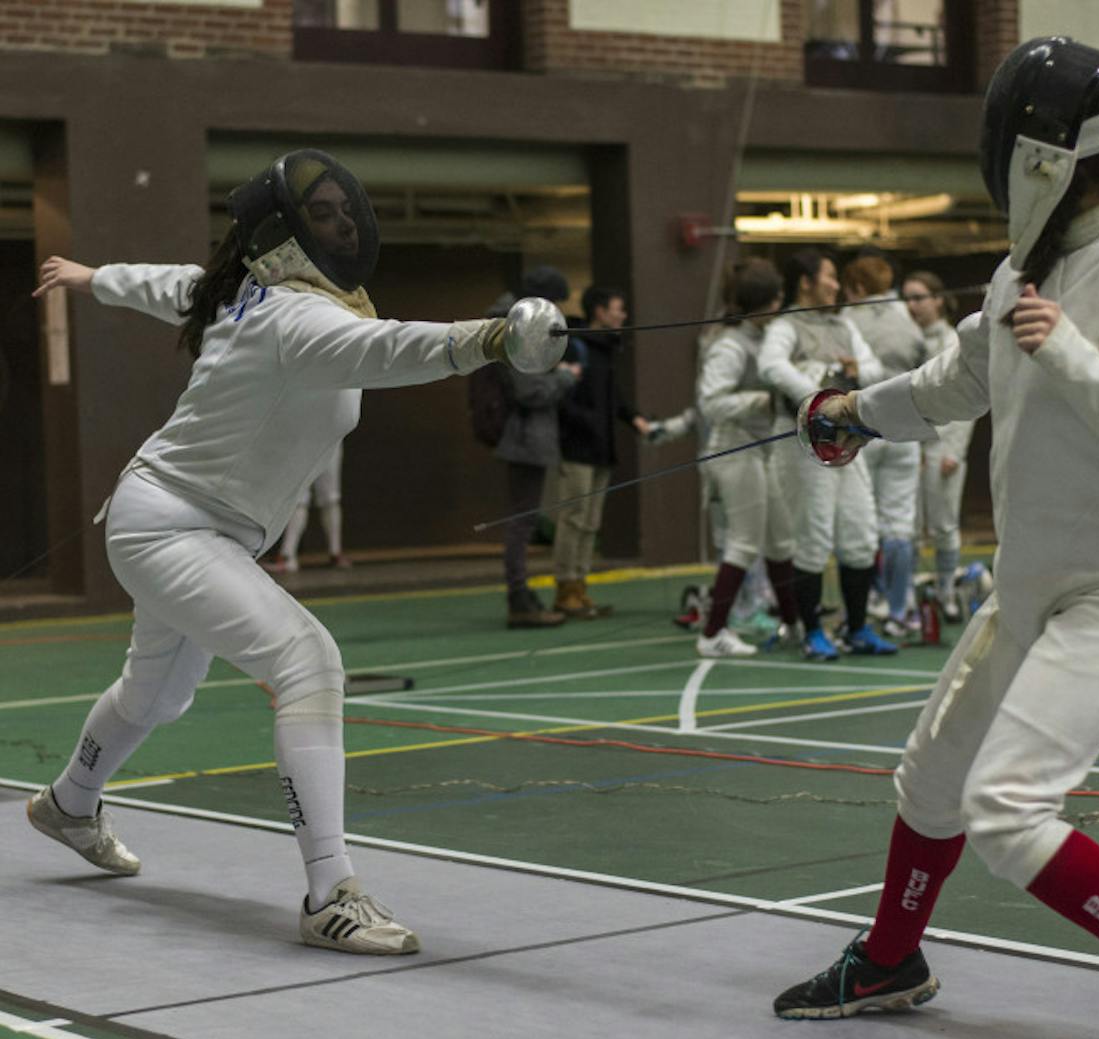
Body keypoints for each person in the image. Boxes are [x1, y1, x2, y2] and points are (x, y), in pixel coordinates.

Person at [776, 39, 1099, 1039]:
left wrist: (1070, 354)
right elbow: (956, 382)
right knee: (932, 778)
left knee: (1006, 809)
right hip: (1035, 580)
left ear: (1041, 157)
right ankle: (892, 961)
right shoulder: (1028, 269)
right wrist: (853, 416)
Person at [26, 149, 555, 955]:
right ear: (282, 234)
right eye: (323, 213)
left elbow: (174, 284)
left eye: (346, 210)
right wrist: (489, 337)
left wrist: (93, 275)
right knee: (308, 659)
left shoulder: (253, 294)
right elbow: (392, 351)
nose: (343, 222)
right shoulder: (294, 318)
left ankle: (68, 803)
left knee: (158, 694)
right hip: (171, 525)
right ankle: (330, 893)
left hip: (184, 524)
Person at [758, 249, 897, 659]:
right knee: (814, 537)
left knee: (860, 532)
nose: (836, 285)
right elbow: (771, 367)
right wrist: (816, 396)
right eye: (830, 277)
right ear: (806, 282)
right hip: (803, 446)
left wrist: (856, 372)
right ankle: (813, 631)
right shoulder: (784, 326)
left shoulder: (844, 324)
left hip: (847, 443)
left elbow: (872, 369)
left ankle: (856, 629)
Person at [694, 258, 803, 657]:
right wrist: (761, 399)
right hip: (731, 448)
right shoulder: (730, 344)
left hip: (758, 449)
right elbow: (711, 403)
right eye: (775, 298)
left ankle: (793, 624)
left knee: (780, 539)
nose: (779, 304)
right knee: (743, 542)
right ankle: (712, 634)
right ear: (763, 301)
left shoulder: (763, 338)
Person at [483, 266, 580, 629]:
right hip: (524, 438)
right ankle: (518, 598)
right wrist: (565, 378)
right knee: (521, 522)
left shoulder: (509, 324)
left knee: (522, 520)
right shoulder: (516, 330)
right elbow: (531, 391)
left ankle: (521, 595)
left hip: (524, 436)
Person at [843, 251, 929, 639]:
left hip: (863, 429)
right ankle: (900, 609)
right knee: (899, 524)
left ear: (858, 287)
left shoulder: (846, 320)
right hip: (905, 428)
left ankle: (876, 600)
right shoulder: (909, 322)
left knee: (867, 522)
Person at [552, 285, 650, 619]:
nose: (622, 316)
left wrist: (634, 419)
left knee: (591, 523)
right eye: (617, 308)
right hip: (578, 447)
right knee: (574, 519)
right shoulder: (574, 345)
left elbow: (614, 397)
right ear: (599, 311)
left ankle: (581, 587)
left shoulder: (606, 349)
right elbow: (563, 399)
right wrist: (590, 424)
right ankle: (565, 588)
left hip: (602, 449)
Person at [903, 269, 972, 622]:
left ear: (938, 300)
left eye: (918, 297)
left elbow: (967, 402)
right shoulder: (905, 339)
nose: (911, 305)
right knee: (909, 526)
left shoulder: (953, 341)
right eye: (907, 298)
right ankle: (910, 596)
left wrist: (954, 451)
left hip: (942, 446)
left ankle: (945, 591)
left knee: (943, 524)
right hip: (909, 446)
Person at [266, 440, 351, 574]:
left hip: (330, 436)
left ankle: (335, 552)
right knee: (299, 496)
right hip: (304, 436)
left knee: (330, 497)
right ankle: (287, 556)